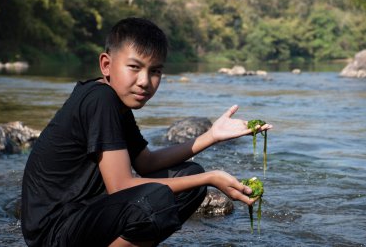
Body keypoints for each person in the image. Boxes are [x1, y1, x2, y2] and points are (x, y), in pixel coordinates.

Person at [21, 17, 272, 247]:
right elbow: (121, 187)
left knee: (189, 177)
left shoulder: (116, 103)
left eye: (155, 71)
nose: (145, 81)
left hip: (80, 216)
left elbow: (146, 162)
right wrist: (210, 178)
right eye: (134, 67)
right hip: (53, 231)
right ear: (106, 64)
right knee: (156, 201)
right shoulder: (101, 99)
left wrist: (212, 136)